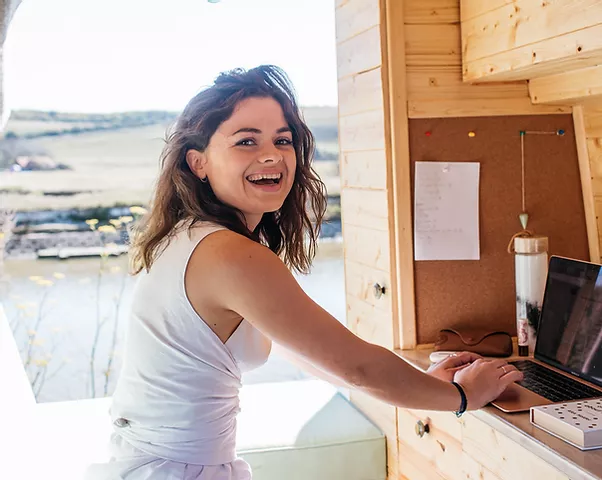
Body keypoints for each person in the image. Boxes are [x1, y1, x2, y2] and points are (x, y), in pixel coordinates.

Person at [85, 65, 522, 479]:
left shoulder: (187, 236)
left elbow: (311, 352)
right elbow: (358, 367)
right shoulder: (227, 255)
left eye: (283, 140)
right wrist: (463, 396)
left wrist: (424, 385)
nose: (271, 156)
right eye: (246, 141)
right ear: (198, 162)